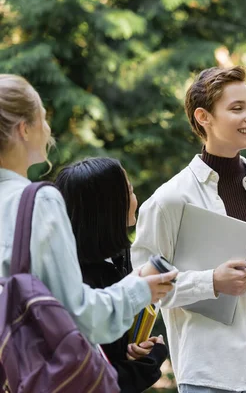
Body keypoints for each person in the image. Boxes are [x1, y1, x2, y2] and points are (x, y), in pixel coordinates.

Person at [131, 66, 246, 393]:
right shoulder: (171, 199)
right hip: (209, 362)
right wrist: (210, 281)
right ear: (204, 117)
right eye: (237, 108)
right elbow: (143, 285)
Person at [0, 74, 177, 345]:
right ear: (24, 129)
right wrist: (140, 289)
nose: (48, 129)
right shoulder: (37, 202)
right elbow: (81, 318)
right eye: (43, 118)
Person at [55, 157, 169, 393]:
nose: (135, 199)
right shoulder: (74, 284)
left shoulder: (118, 255)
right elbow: (91, 379)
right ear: (108, 207)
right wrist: (153, 358)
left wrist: (138, 346)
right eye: (129, 191)